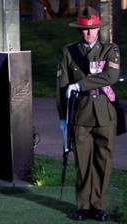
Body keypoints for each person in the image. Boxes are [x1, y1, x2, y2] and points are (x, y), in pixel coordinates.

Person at [56, 6, 120, 221]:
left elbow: (110, 76)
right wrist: (63, 118)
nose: (89, 33)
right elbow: (61, 87)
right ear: (79, 30)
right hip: (80, 116)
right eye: (85, 29)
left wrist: (80, 84)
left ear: (98, 28)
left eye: (92, 28)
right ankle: (83, 206)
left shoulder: (110, 50)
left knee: (103, 162)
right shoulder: (69, 51)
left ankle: (99, 206)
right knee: (83, 163)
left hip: (104, 115)